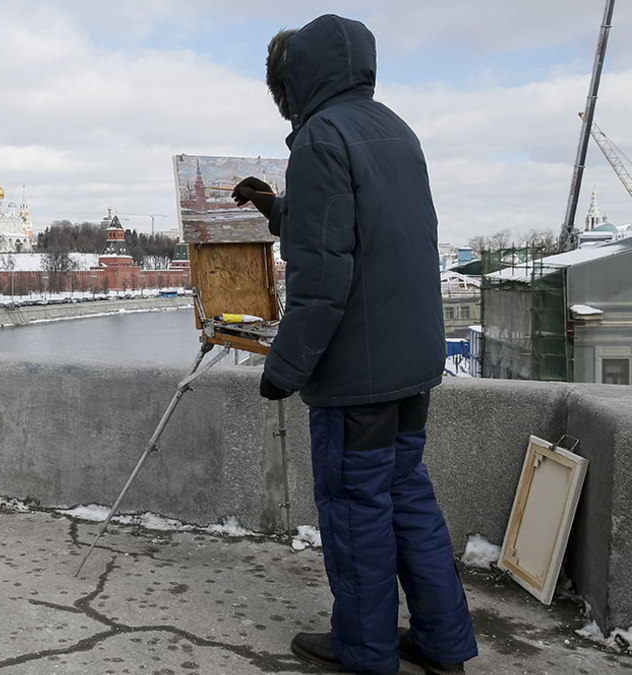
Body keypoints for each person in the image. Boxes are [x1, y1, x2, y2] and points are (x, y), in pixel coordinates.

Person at [233, 14, 479, 675]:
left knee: (354, 511)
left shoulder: (319, 140)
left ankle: (366, 651)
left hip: (358, 378)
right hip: (412, 364)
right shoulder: (394, 129)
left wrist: (282, 368)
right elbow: (362, 231)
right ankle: (442, 641)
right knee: (407, 497)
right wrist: (274, 208)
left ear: (294, 82)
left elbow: (322, 279)